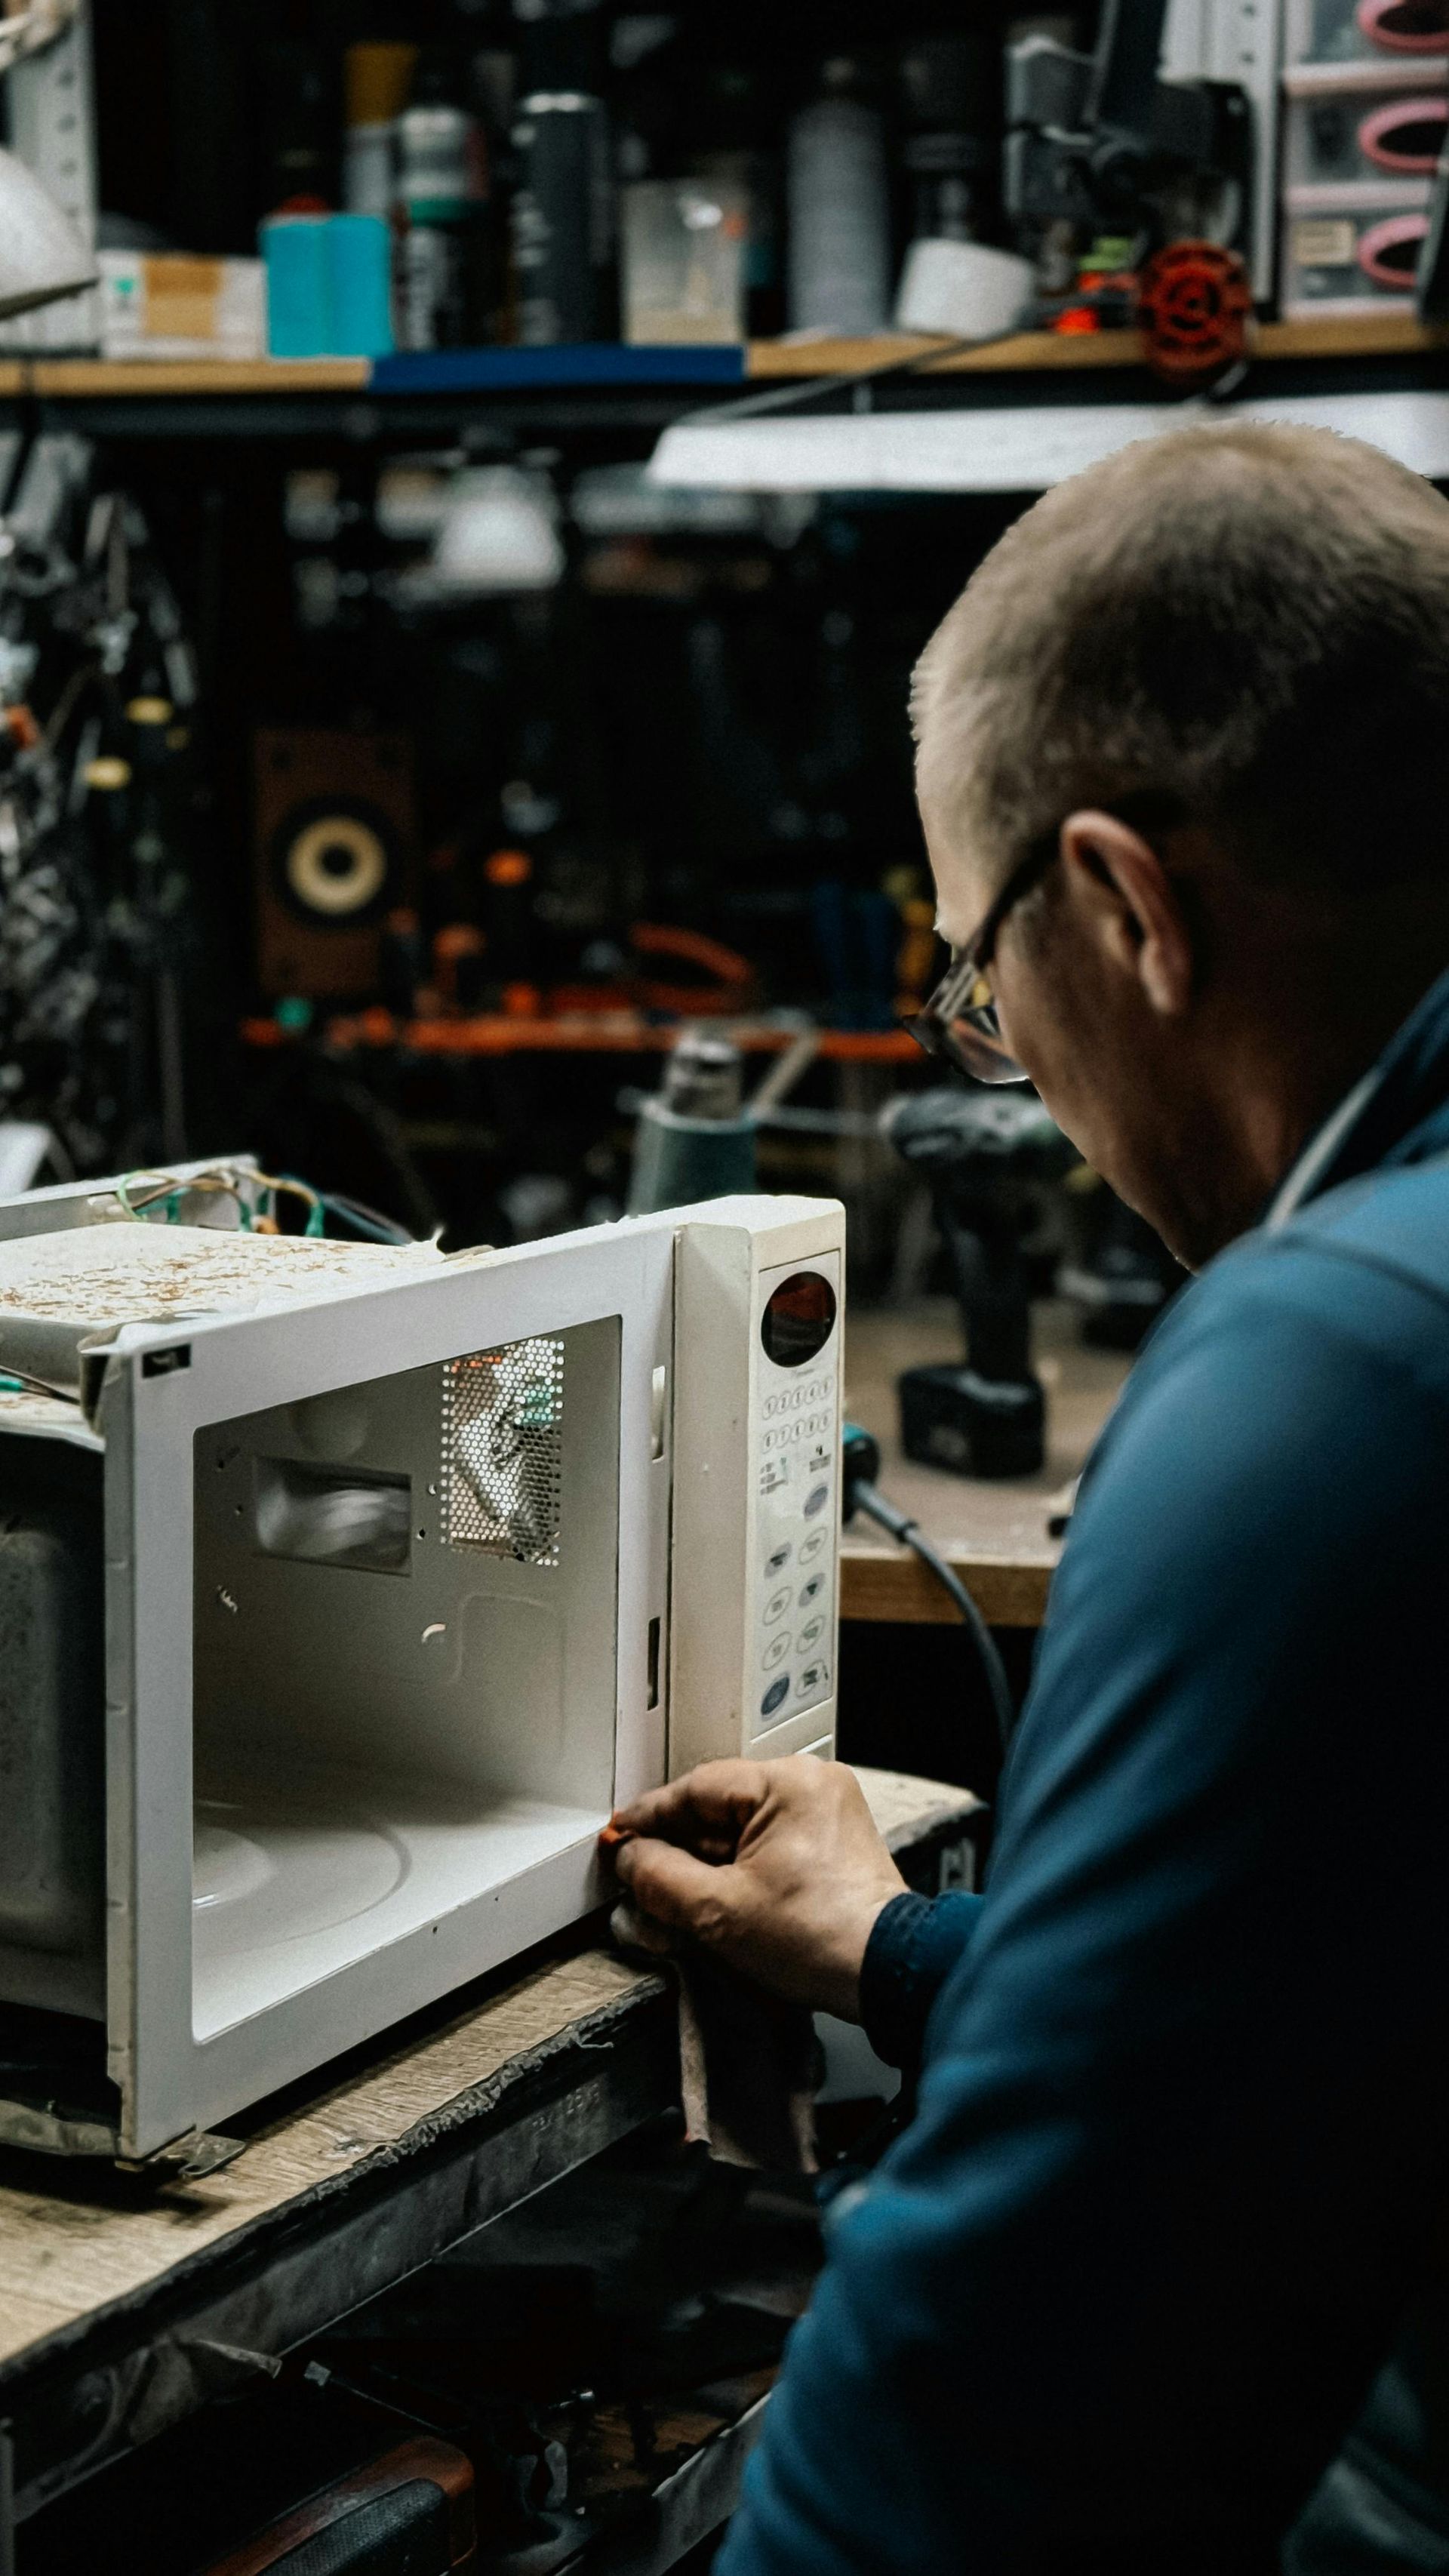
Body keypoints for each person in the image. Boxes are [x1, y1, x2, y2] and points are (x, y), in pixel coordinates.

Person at [605, 421, 1449, 2575]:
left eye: (983, 985)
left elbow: (1000, 2399)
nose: (1021, 1065)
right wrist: (901, 1950)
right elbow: (1313, 2032)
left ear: (1123, 905)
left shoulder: (1341, 1361)